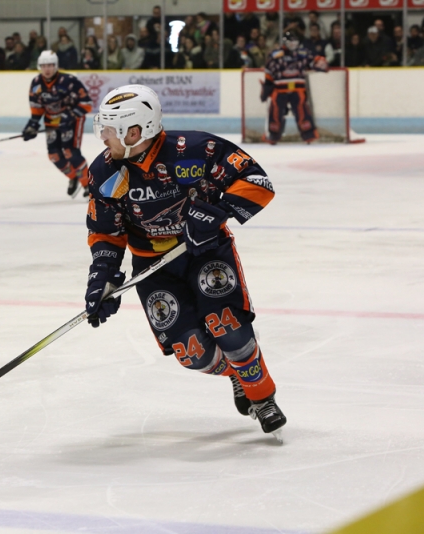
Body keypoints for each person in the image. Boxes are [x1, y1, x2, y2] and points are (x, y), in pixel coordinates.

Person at [84, 85, 287, 439]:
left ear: (136, 132)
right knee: (192, 353)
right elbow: (105, 232)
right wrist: (103, 276)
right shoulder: (104, 173)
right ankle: (238, 374)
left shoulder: (195, 150)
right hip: (153, 268)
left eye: (109, 130)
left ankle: (262, 395)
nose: (102, 138)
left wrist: (216, 213)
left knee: (229, 327)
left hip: (206, 253)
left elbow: (258, 182)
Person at [22, 50, 93, 198]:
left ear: (56, 66)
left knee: (70, 152)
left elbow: (87, 103)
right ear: (39, 66)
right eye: (44, 65)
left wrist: (70, 115)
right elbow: (37, 108)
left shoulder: (69, 81)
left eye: (50, 65)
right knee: (54, 155)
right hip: (52, 121)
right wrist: (32, 126)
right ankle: (73, 177)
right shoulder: (36, 84)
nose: (47, 69)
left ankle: (88, 185)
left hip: (73, 121)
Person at [261, 31, 327, 144]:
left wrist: (320, 62)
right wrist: (266, 87)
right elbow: (269, 73)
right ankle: (273, 134)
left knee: (302, 110)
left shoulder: (302, 53)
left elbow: (314, 61)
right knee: (275, 111)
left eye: (295, 42)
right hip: (280, 90)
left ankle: (309, 134)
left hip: (298, 89)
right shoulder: (275, 55)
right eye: (291, 42)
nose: (293, 44)